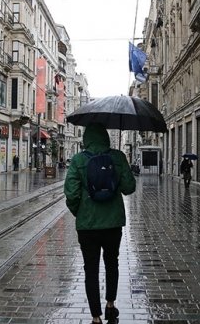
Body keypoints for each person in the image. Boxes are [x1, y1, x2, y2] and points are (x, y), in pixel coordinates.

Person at [64, 123, 136, 324]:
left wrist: (80, 212)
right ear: (105, 137)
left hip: (87, 225)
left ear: (86, 139)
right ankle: (111, 305)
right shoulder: (118, 157)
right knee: (112, 263)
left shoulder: (78, 160)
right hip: (113, 223)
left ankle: (96, 317)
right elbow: (129, 188)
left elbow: (71, 192)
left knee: (91, 269)